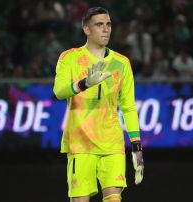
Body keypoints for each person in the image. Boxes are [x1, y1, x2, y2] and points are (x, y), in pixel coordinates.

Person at [53, 7, 144, 202]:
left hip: (111, 143)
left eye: (108, 24)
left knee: (114, 198)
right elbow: (59, 92)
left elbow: (128, 106)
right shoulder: (69, 58)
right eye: (99, 25)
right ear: (87, 29)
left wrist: (137, 146)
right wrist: (83, 83)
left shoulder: (121, 63)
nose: (106, 29)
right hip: (80, 142)